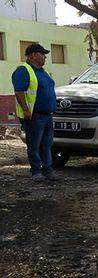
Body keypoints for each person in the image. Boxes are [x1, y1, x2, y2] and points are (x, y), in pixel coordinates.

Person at [12, 43, 60, 182]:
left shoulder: (42, 71)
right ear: (33, 55)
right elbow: (19, 91)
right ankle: (36, 171)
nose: (45, 57)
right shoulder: (24, 70)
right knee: (34, 144)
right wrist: (26, 109)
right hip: (34, 115)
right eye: (42, 54)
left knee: (47, 144)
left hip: (47, 115)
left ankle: (48, 170)